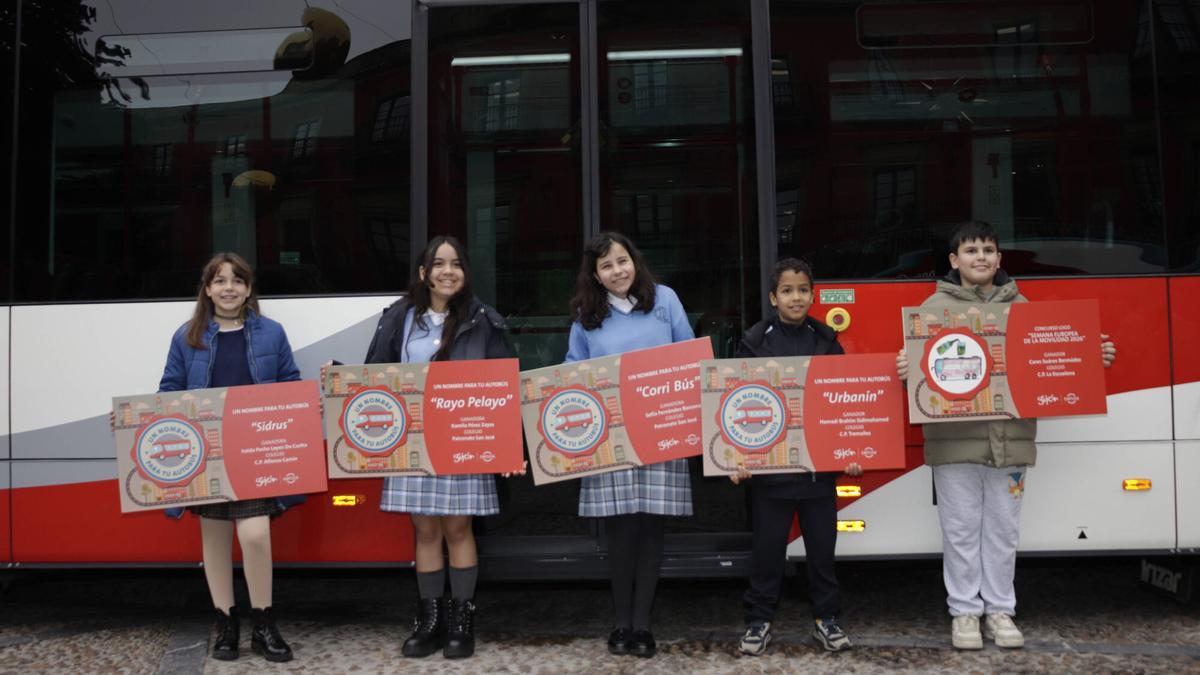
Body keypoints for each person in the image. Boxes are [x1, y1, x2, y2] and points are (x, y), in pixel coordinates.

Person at [896, 221, 1116, 650]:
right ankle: (964, 614)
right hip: (954, 444)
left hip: (1010, 441)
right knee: (959, 530)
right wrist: (908, 372)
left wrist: (1092, 357)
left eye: (989, 250)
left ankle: (1000, 611)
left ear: (999, 260)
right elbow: (924, 377)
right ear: (954, 261)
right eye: (972, 250)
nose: (981, 257)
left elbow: (1052, 359)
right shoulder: (933, 308)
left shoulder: (1024, 307)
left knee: (1002, 531)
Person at [362, 235, 518, 660]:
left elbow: (505, 388)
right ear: (423, 273)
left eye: (456, 264)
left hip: (466, 439)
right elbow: (376, 375)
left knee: (458, 529)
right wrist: (340, 379)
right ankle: (429, 622)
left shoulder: (486, 320)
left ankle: (462, 622)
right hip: (413, 441)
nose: (448, 271)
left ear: (465, 273)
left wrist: (509, 446)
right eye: (439, 264)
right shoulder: (400, 318)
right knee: (426, 530)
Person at [158, 252, 300, 663]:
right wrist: (138, 421)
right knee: (215, 543)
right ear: (207, 289)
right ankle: (225, 622)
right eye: (219, 281)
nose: (228, 288)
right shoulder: (187, 336)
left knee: (255, 536)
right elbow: (170, 390)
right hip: (207, 455)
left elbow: (290, 383)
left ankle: (264, 623)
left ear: (249, 288)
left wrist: (302, 407)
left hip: (255, 452)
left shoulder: (272, 333)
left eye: (237, 281)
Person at [565, 231, 695, 659]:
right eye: (606, 266)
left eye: (622, 261)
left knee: (651, 528)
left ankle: (643, 623)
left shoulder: (666, 300)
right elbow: (572, 373)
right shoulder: (586, 314)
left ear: (634, 262)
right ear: (596, 276)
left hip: (662, 430)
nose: (617, 270)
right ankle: (620, 621)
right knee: (620, 531)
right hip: (611, 437)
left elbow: (690, 357)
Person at [730, 258, 860, 655]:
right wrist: (734, 457)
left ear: (812, 294)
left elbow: (843, 407)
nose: (796, 297)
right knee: (767, 553)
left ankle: (827, 618)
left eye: (803, 290)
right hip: (770, 478)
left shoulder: (828, 343)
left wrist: (849, 452)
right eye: (787, 291)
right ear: (773, 298)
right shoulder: (753, 344)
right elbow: (733, 404)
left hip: (819, 476)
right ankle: (758, 621)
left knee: (823, 553)